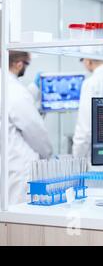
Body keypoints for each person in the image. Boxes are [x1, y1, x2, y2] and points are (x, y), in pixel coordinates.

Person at [0, 51, 52, 204]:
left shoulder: (8, 86)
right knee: (21, 217)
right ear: (19, 64)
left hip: (8, 164)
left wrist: (33, 90)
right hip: (19, 167)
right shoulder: (14, 90)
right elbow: (34, 130)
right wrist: (48, 154)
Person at [72, 59, 103, 160]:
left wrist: (76, 159)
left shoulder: (92, 82)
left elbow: (85, 131)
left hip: (99, 164)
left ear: (88, 61)